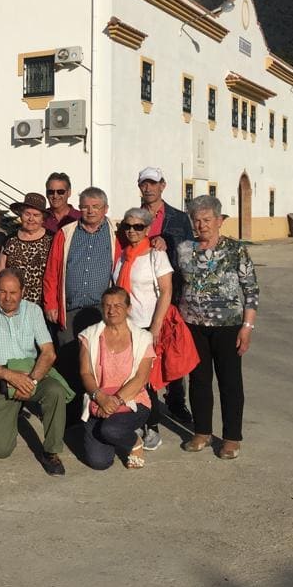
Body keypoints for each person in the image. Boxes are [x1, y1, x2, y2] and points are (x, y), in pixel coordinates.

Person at [176, 195, 259, 460]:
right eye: (196, 220)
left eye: (207, 220)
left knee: (230, 382)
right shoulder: (184, 249)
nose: (201, 225)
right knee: (199, 380)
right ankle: (202, 432)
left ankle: (232, 437)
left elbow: (251, 290)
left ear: (219, 221)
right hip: (193, 325)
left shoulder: (236, 250)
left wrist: (247, 327)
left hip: (228, 325)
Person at [0, 268, 69, 476]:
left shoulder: (33, 311)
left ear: (23, 291)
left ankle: (51, 452)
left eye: (13, 293)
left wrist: (31, 381)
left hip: (31, 375)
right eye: (3, 292)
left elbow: (48, 353)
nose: (8, 298)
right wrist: (10, 376)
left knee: (55, 391)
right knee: (1, 450)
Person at [43, 186, 118, 423]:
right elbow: (53, 271)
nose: (90, 211)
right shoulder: (66, 233)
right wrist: (51, 304)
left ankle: (99, 409)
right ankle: (72, 414)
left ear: (105, 209)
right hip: (71, 308)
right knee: (68, 360)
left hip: (101, 310)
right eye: (85, 206)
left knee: (99, 361)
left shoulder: (116, 232)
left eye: (96, 206)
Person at [138, 166, 196, 424]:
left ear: (163, 185)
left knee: (173, 349)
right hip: (141, 294)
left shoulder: (179, 218)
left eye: (153, 183)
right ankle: (148, 401)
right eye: (144, 184)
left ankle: (176, 401)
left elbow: (189, 249)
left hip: (171, 292)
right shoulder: (135, 216)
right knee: (145, 350)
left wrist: (166, 241)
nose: (148, 188)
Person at [113, 207, 173, 449]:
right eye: (128, 226)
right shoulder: (123, 256)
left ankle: (153, 426)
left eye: (138, 226)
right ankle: (133, 420)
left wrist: (155, 327)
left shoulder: (156, 256)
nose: (132, 230)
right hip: (124, 326)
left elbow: (166, 291)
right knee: (126, 377)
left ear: (148, 229)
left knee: (147, 380)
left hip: (146, 325)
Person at [79, 287, 155, 470]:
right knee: (99, 462)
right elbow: (85, 373)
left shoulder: (143, 337)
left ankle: (134, 442)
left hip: (132, 400)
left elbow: (141, 378)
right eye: (107, 305)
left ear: (128, 308)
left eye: (118, 305)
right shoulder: (89, 335)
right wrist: (101, 398)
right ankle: (116, 433)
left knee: (110, 429)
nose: (112, 310)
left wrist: (115, 402)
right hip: (99, 400)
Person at [0, 192, 53, 304]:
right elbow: (0, 270)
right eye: (27, 214)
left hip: (42, 304)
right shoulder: (10, 239)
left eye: (36, 215)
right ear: (21, 215)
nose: (31, 219)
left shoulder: (52, 240)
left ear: (43, 219)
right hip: (12, 303)